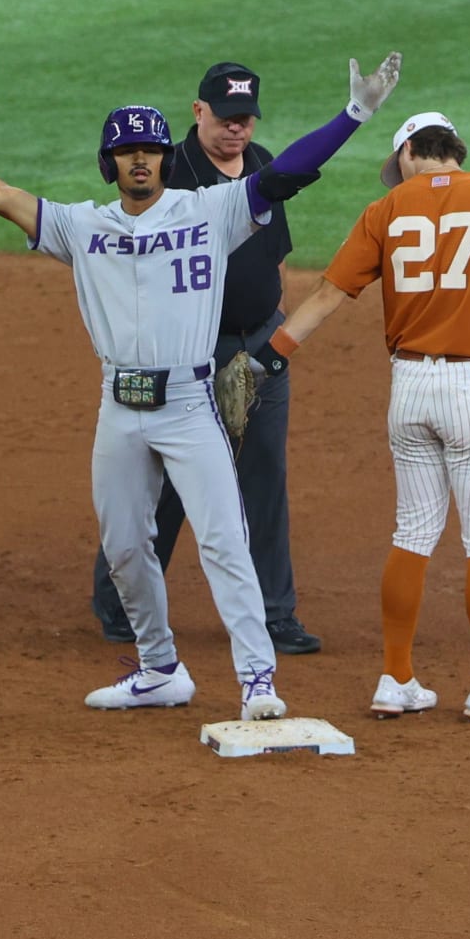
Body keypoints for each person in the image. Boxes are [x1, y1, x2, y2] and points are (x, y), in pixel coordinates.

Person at [0, 50, 400, 720]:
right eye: (128, 153)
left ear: (163, 157)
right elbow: (3, 197)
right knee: (125, 546)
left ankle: (258, 680)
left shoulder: (210, 211)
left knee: (223, 541)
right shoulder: (82, 226)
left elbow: (288, 174)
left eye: (151, 150)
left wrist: (355, 114)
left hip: (188, 404)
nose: (142, 161)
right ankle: (158, 669)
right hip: (119, 409)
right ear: (111, 164)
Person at [249, 109, 470, 721]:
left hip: (409, 388)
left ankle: (396, 679)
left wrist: (269, 359)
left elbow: (328, 296)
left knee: (412, 533)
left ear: (408, 155)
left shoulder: (385, 212)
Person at [89, 61, 321, 656]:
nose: (236, 130)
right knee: (164, 477)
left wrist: (272, 328)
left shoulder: (265, 163)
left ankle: (276, 614)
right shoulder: (174, 171)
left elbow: (275, 255)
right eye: (225, 118)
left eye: (245, 119)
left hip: (259, 342)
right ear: (199, 113)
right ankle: (120, 600)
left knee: (264, 475)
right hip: (191, 352)